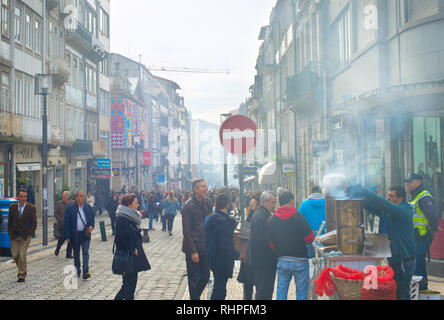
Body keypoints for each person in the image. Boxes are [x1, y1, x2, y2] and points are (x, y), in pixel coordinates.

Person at [349, 184, 417, 300]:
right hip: (394, 256)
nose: (388, 198)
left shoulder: (403, 209)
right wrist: (359, 198)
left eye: (391, 196)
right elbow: (373, 206)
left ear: (400, 198)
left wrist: (366, 192)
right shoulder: (389, 210)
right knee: (396, 288)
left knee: (403, 289)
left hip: (404, 257)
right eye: (387, 195)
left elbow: (384, 204)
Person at [267, 190, 314, 300]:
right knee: (302, 294)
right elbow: (309, 238)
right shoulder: (299, 217)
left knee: (281, 292)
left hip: (282, 260)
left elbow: (270, 242)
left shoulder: (272, 219)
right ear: (291, 201)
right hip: (300, 261)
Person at [405, 173, 440, 291]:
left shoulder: (424, 196)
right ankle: (421, 289)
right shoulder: (414, 196)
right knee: (418, 265)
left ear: (418, 182)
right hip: (414, 237)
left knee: (417, 266)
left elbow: (433, 215)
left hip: (421, 236)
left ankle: (420, 290)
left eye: (410, 182)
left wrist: (434, 228)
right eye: (407, 182)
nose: (408, 184)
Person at [204, 193, 241, 300]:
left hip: (212, 257)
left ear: (215, 204)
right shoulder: (224, 222)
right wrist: (238, 255)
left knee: (218, 286)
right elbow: (225, 245)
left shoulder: (210, 219)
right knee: (220, 289)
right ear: (227, 205)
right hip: (222, 260)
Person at [114, 193, 151, 300]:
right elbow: (120, 240)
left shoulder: (131, 217)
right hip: (128, 256)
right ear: (129, 205)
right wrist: (132, 249)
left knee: (130, 285)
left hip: (133, 257)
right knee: (128, 286)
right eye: (135, 203)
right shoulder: (122, 219)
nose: (137, 205)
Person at [181, 178, 213, 300]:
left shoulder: (207, 202)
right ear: (195, 189)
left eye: (205, 186)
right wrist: (193, 251)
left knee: (205, 276)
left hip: (205, 246)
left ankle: (194, 297)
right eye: (203, 187)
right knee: (193, 279)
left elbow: (210, 221)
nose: (205, 189)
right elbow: (187, 232)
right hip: (193, 247)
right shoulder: (188, 206)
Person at [246, 190, 278, 300]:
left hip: (262, 261)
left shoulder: (262, 214)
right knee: (264, 292)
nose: (274, 205)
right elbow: (263, 242)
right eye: (273, 202)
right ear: (264, 201)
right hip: (264, 262)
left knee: (264, 290)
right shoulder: (262, 217)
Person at [64, 190, 95, 280]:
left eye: (83, 196)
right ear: (76, 197)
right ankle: (77, 269)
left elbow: (92, 220)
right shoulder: (70, 208)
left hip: (85, 234)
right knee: (76, 253)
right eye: (80, 196)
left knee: (85, 252)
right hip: (75, 234)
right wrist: (67, 236)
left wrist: (91, 226)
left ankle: (86, 271)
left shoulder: (88, 207)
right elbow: (66, 223)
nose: (82, 198)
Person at [8, 188, 37, 282]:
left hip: (25, 235)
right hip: (14, 235)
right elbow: (10, 222)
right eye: (21, 196)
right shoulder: (12, 207)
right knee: (15, 255)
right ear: (18, 197)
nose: (23, 198)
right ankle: (21, 268)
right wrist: (10, 233)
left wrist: (30, 232)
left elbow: (34, 223)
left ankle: (22, 274)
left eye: (25, 196)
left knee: (22, 254)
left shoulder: (31, 208)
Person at [237, 197, 259, 300]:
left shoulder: (258, 216)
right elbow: (244, 233)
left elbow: (244, 233)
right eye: (250, 203)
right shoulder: (251, 216)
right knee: (249, 283)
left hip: (253, 255)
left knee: (254, 283)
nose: (251, 205)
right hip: (248, 255)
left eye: (253, 203)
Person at [298, 186, 326, 259]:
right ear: (321, 193)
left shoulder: (304, 204)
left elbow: (297, 221)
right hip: (326, 238)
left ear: (310, 193)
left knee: (312, 264)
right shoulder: (328, 203)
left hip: (309, 238)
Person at [54, 191, 74, 258]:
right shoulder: (59, 203)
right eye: (62, 196)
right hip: (62, 225)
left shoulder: (72, 203)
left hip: (71, 225)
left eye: (64, 196)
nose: (62, 197)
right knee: (61, 239)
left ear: (68, 197)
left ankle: (68, 254)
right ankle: (57, 249)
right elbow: (56, 213)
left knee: (71, 240)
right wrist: (60, 220)